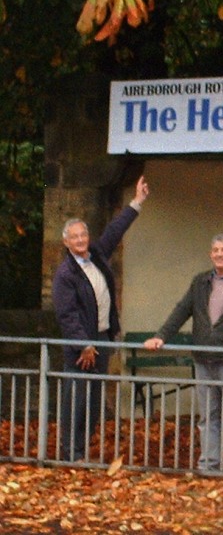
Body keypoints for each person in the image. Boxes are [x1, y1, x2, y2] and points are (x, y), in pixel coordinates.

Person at [144, 234, 223, 476]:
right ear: (210, 254)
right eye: (215, 250)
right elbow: (182, 310)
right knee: (208, 417)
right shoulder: (199, 282)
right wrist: (161, 336)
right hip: (203, 359)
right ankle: (209, 466)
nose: (220, 254)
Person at [53, 175, 150, 462]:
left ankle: (82, 451)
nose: (81, 240)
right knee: (77, 400)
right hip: (81, 346)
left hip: (102, 339)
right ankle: (70, 453)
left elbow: (115, 230)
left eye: (84, 235)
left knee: (94, 401)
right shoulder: (65, 274)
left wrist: (137, 201)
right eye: (75, 237)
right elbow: (67, 314)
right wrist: (83, 344)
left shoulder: (96, 254)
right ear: (66, 242)